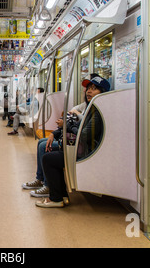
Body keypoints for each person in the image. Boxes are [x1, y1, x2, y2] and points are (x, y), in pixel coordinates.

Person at [36, 74, 110, 208]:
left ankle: (56, 197)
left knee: (48, 159)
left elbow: (84, 134)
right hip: (81, 147)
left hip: (88, 152)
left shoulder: (98, 112)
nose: (88, 91)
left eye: (94, 89)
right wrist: (59, 131)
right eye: (88, 88)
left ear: (103, 93)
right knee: (49, 153)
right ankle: (61, 195)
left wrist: (68, 126)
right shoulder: (91, 107)